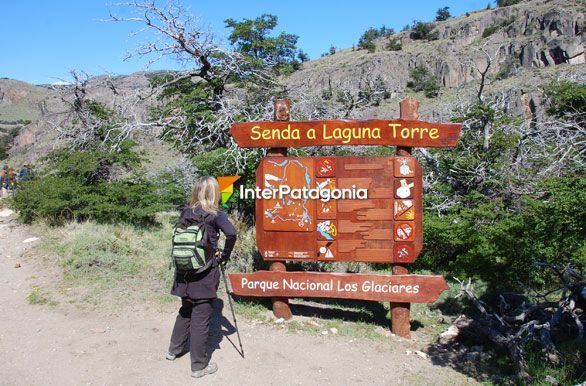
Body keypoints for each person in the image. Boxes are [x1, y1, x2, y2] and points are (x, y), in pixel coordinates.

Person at [166, 176, 237, 378]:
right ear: (214, 192)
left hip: (183, 271)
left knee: (186, 310)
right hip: (204, 273)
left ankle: (174, 350)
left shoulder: (186, 212)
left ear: (196, 191)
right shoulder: (215, 215)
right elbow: (231, 234)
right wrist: (223, 255)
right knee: (201, 317)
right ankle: (198, 366)